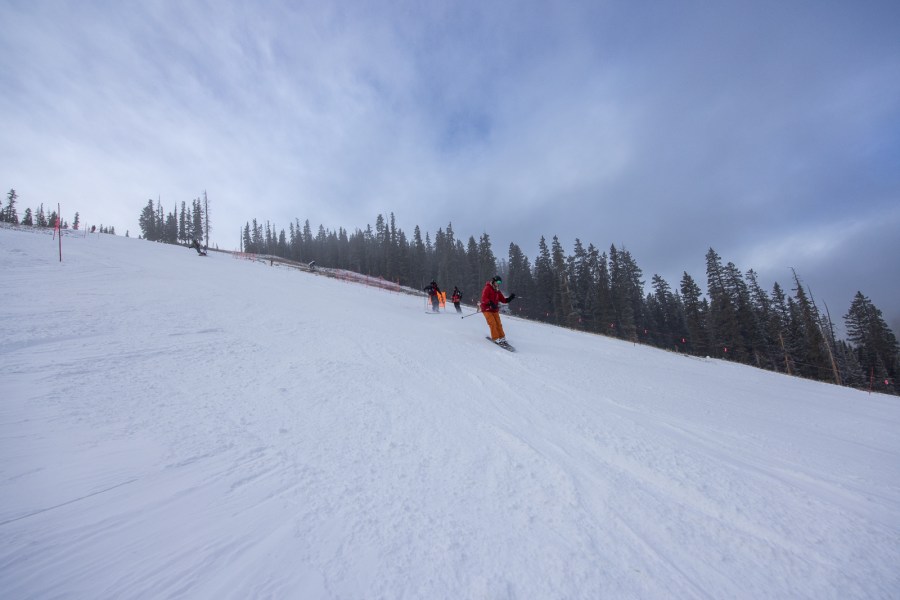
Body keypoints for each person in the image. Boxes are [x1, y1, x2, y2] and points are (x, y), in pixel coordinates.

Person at [480, 275, 516, 345]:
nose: (498, 283)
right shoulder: (487, 288)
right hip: (486, 309)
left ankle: (502, 337)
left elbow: (503, 300)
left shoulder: (497, 290)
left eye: (500, 282)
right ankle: (496, 338)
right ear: (494, 281)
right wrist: (490, 303)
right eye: (498, 282)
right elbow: (484, 299)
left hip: (494, 309)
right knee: (492, 323)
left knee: (498, 324)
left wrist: (510, 298)